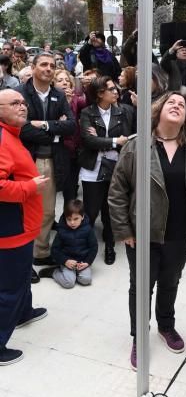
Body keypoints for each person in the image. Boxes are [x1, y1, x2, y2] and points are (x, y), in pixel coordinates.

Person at [108, 91, 186, 370]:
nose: (177, 105)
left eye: (182, 104)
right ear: (158, 109)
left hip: (179, 233)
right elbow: (117, 192)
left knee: (170, 283)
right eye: (171, 102)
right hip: (143, 234)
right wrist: (125, 231)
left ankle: (166, 326)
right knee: (141, 287)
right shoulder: (137, 145)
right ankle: (139, 337)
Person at [0, 89, 49, 365]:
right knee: (9, 288)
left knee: (20, 279)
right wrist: (30, 186)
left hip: (22, 226)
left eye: (23, 102)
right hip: (11, 230)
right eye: (14, 103)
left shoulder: (12, 135)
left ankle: (23, 313)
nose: (23, 106)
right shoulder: (2, 139)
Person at [17, 53, 76, 269]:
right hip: (25, 161)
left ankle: (40, 254)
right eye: (43, 64)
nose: (49, 69)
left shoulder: (59, 96)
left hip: (50, 161)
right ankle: (24, 260)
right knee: (24, 212)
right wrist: (54, 129)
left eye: (52, 65)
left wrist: (42, 125)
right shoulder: (20, 94)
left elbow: (71, 125)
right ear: (32, 68)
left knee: (47, 212)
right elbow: (21, 129)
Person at [79, 75, 134, 265]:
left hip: (116, 169)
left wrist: (105, 140)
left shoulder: (124, 111)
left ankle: (110, 246)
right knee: (91, 211)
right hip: (93, 169)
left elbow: (128, 139)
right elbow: (88, 141)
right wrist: (113, 141)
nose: (116, 91)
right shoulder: (88, 113)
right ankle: (84, 247)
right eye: (110, 89)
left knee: (111, 211)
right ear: (99, 93)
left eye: (115, 88)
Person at [40, 199, 98, 288]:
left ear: (82, 217)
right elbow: (55, 250)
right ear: (65, 217)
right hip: (67, 262)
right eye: (69, 219)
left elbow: (94, 247)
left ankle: (74, 275)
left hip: (82, 262)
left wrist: (87, 262)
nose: (72, 222)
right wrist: (65, 261)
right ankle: (54, 272)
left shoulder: (88, 229)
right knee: (69, 283)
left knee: (86, 280)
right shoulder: (62, 230)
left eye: (76, 219)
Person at [54, 69, 87, 203]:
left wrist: (86, 87)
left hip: (75, 147)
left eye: (67, 80)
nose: (64, 83)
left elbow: (87, 104)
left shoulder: (75, 99)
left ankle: (71, 217)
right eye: (60, 80)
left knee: (72, 185)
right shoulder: (53, 99)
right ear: (53, 83)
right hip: (59, 148)